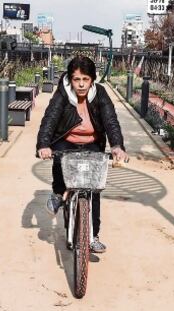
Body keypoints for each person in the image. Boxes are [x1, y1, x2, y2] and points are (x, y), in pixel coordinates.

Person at [36, 55, 128, 253]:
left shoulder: (100, 94)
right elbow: (50, 119)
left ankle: (93, 235)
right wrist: (43, 144)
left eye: (85, 79)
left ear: (92, 80)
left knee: (92, 188)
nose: (81, 84)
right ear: (70, 79)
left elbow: (111, 121)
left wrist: (117, 146)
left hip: (91, 143)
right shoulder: (62, 93)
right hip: (65, 140)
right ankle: (59, 194)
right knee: (59, 164)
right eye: (77, 79)